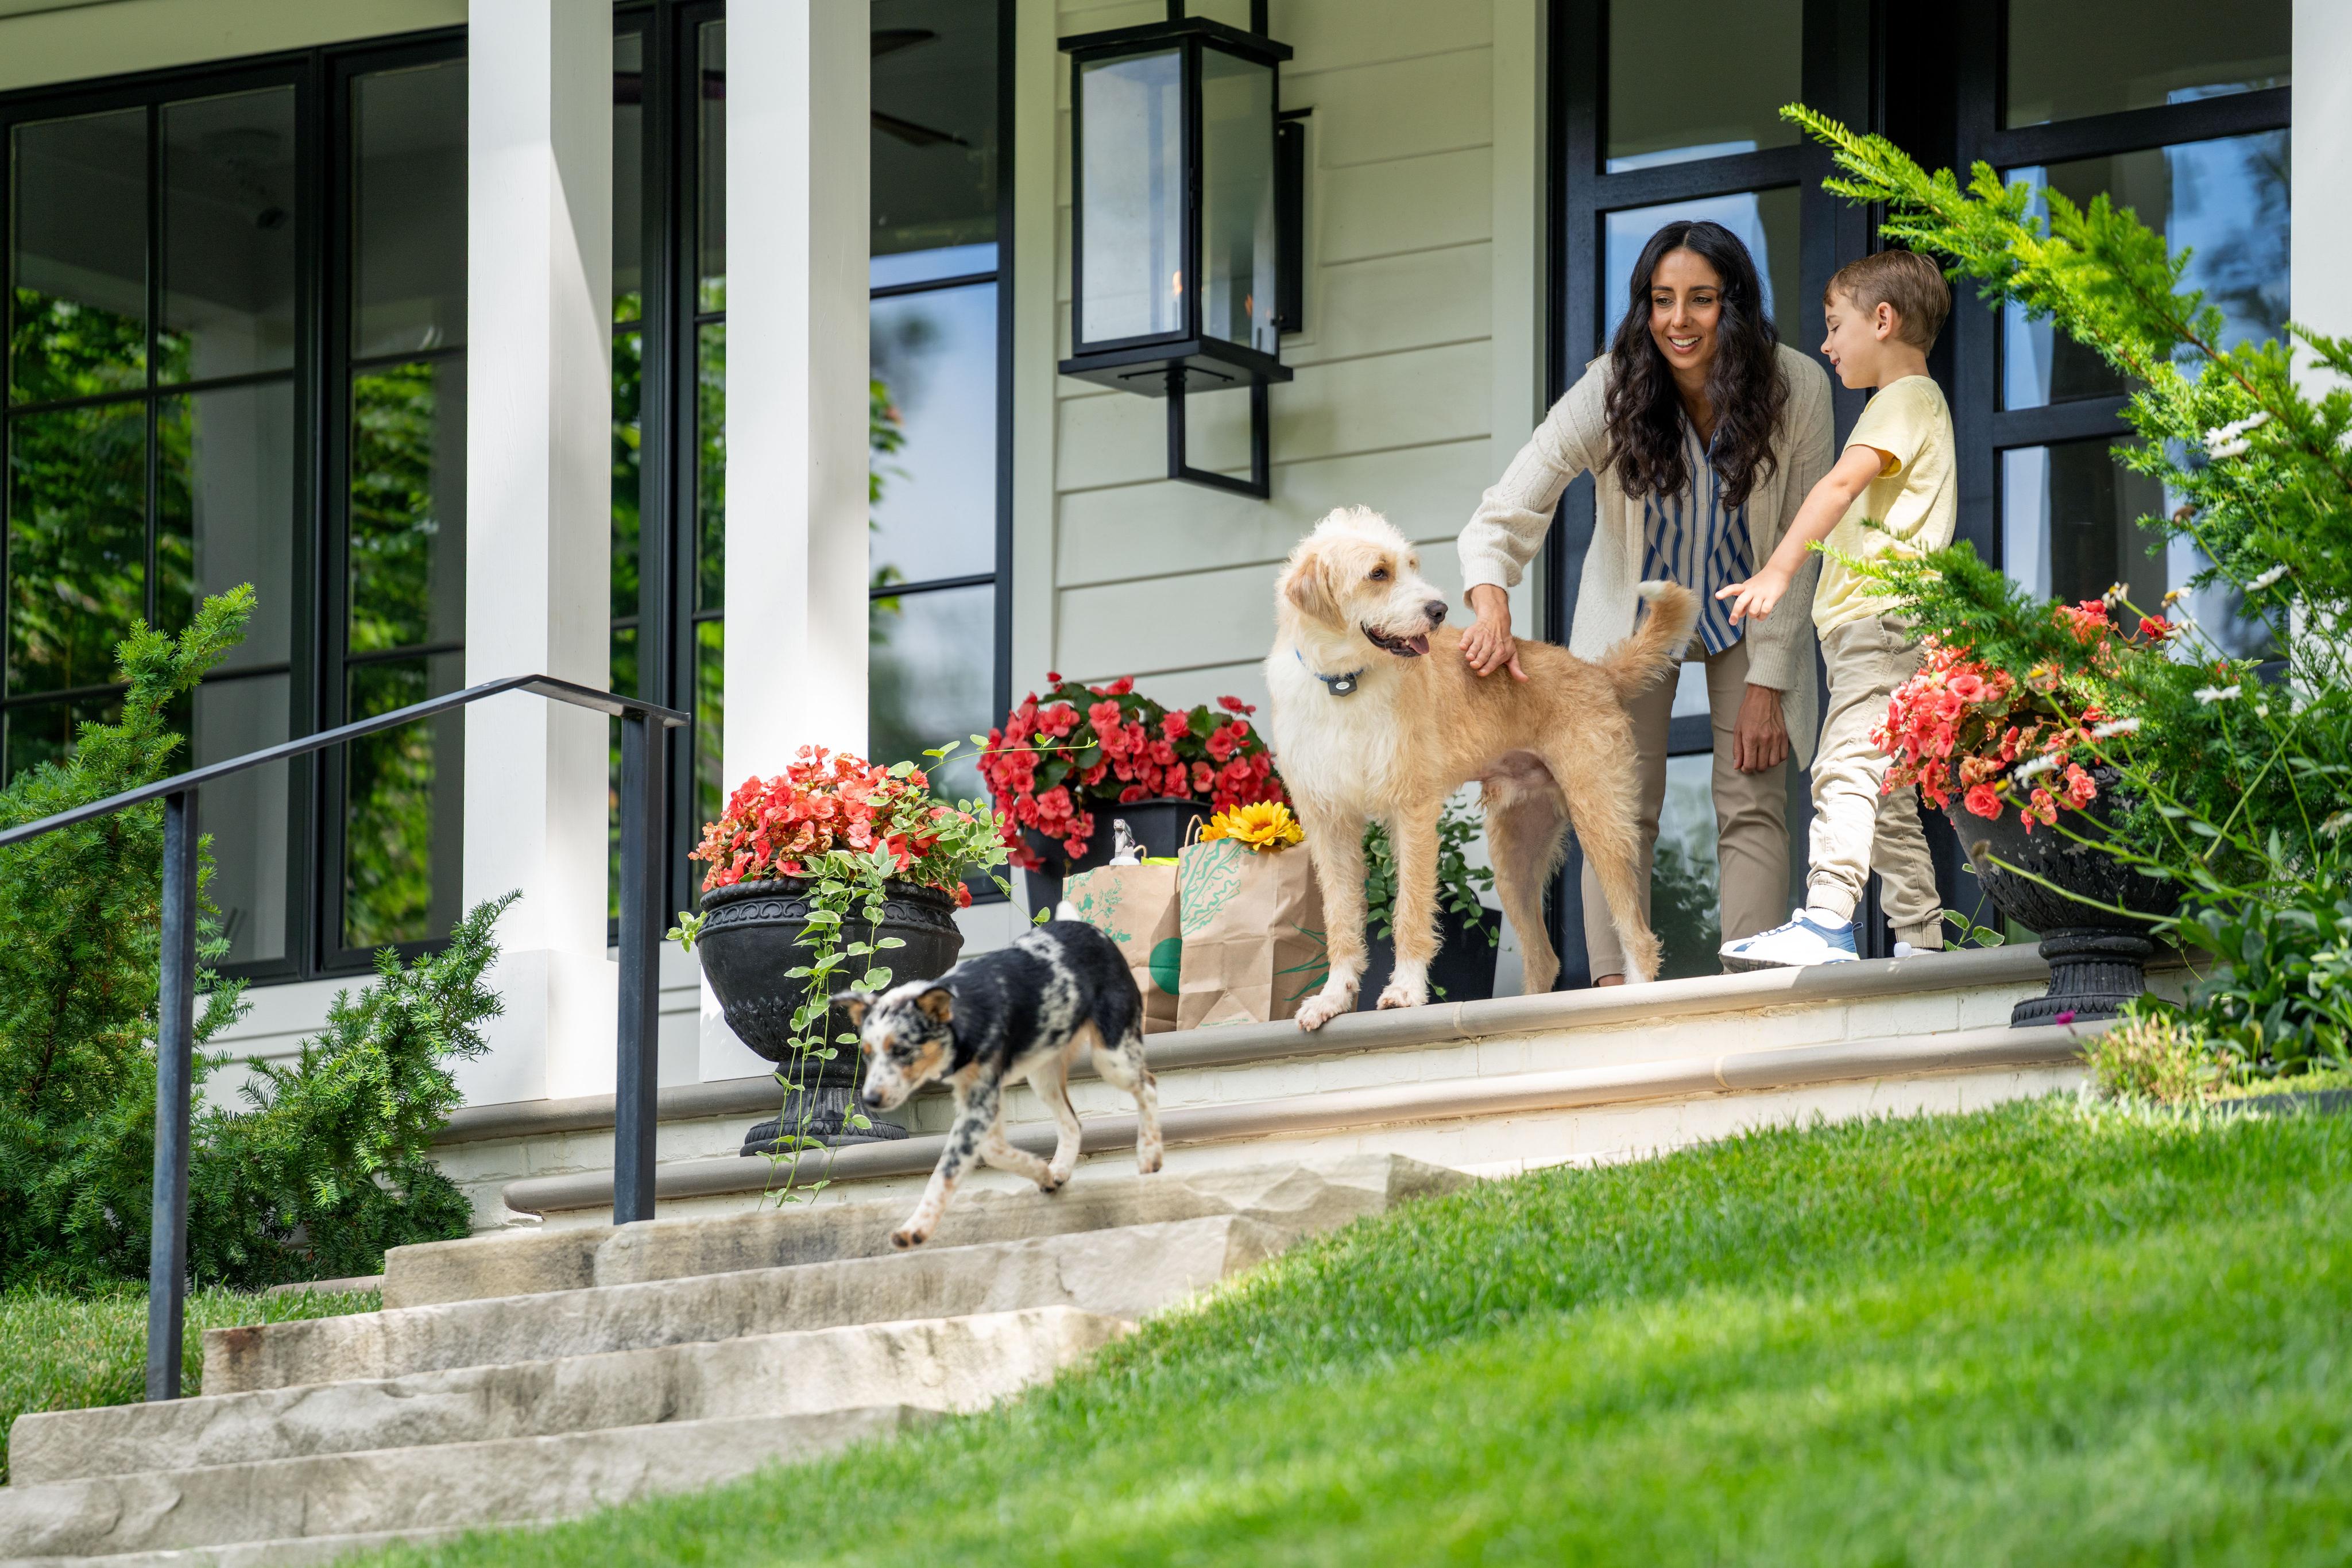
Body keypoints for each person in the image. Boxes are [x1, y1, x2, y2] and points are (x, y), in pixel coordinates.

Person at [1459, 220, 1833, 985]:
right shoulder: (1611, 385)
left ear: (1734, 303)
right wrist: (1492, 598)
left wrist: (1770, 679)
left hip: (1751, 611)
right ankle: (1612, 984)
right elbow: (1509, 506)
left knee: (1753, 795)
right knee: (1614, 799)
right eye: (1662, 300)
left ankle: (1752, 981)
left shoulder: (1798, 388)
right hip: (1634, 619)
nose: (1678, 321)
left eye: (1700, 300)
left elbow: (1806, 539)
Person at [1713, 249, 1955, 967]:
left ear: (1882, 320)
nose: (1824, 345)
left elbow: (1838, 486)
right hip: (1880, 624)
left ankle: (1825, 918)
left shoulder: (1903, 400)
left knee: (1844, 764)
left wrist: (1778, 570)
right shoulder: (1913, 405)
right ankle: (1920, 936)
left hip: (1879, 622)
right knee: (1885, 794)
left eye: (1833, 326)